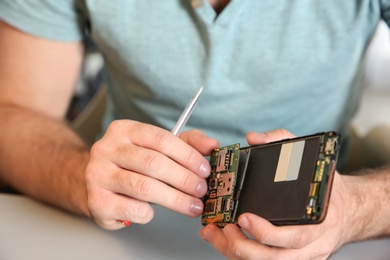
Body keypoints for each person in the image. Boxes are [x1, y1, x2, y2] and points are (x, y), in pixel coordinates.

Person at [0, 0, 389, 259]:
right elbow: (12, 114)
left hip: (332, 226)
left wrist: (356, 209)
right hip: (130, 233)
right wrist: (79, 176)